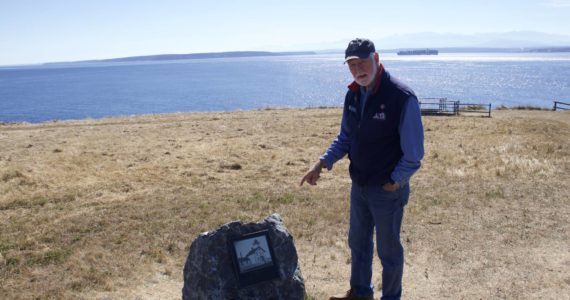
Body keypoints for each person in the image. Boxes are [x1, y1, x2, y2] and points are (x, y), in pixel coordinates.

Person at [300, 38, 424, 300]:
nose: (358, 70)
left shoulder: (401, 97)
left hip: (387, 190)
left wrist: (395, 182)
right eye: (352, 65)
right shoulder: (354, 93)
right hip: (360, 186)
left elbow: (414, 155)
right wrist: (321, 163)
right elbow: (345, 137)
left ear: (376, 59)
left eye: (362, 62)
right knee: (358, 244)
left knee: (389, 252)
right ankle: (360, 293)